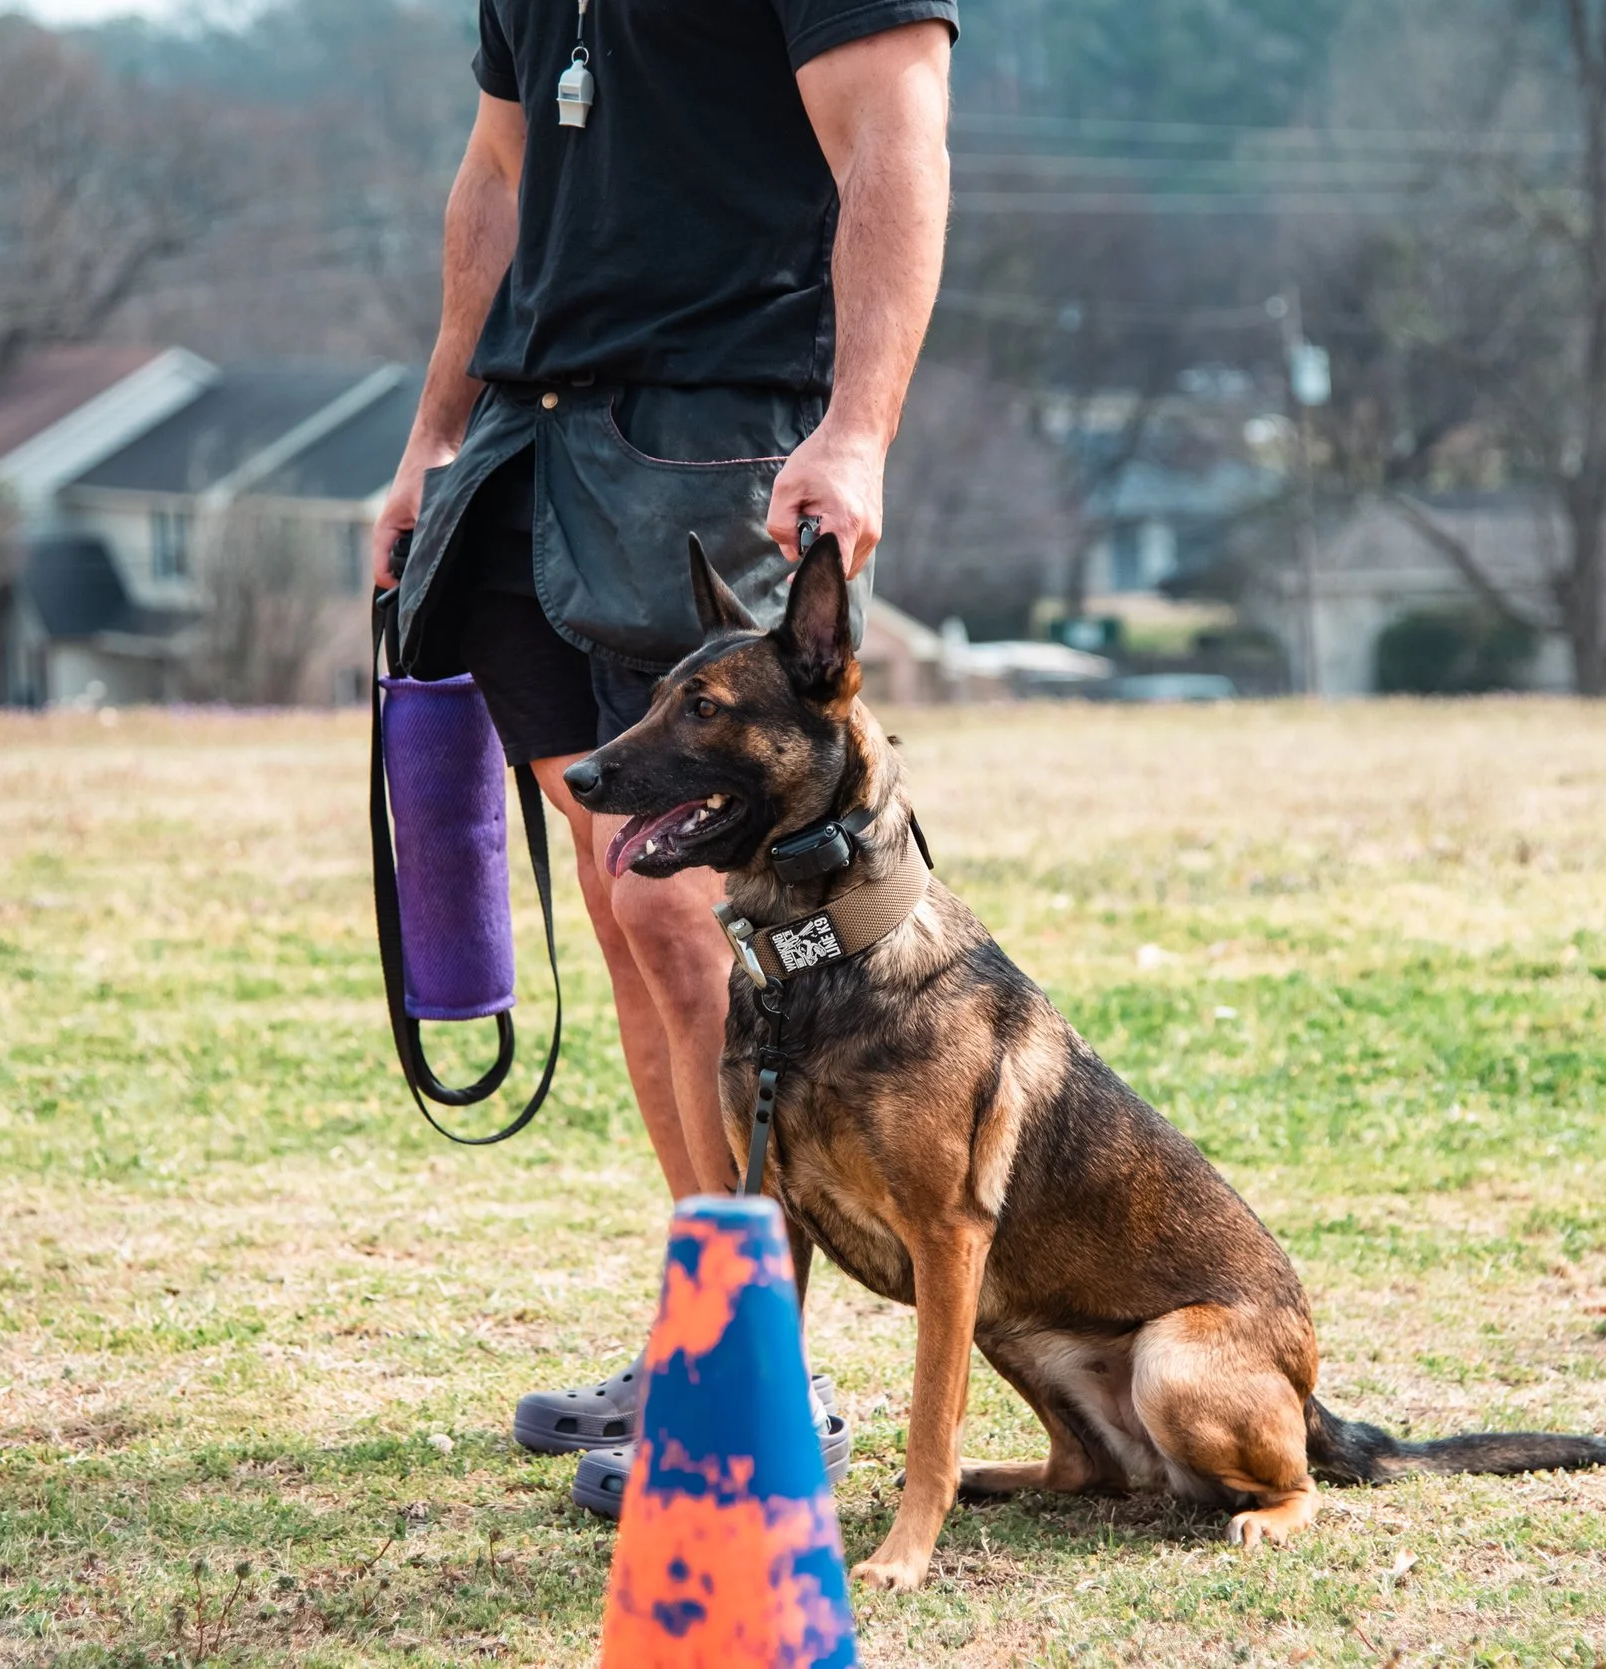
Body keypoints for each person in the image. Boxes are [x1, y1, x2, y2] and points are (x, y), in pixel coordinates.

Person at [371, 0, 954, 1514]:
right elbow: (499, 168)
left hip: (723, 439)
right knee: (625, 885)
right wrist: (433, 433)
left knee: (697, 920)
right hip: (532, 438)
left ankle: (764, 1382)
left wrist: (861, 430)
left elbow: (896, 134)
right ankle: (709, 1324)